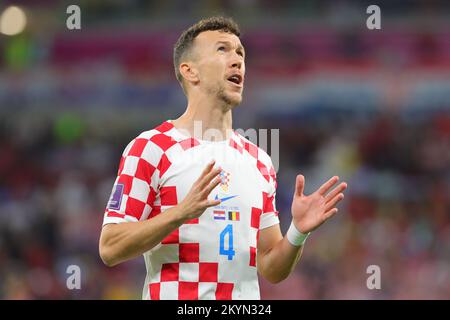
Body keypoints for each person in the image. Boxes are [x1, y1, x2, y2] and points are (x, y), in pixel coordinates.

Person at [99, 16, 347, 300]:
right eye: (222, 50)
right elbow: (110, 247)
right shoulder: (152, 148)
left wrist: (297, 233)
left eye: (240, 52)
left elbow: (271, 268)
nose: (237, 59)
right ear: (190, 71)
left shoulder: (260, 161)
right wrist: (179, 214)